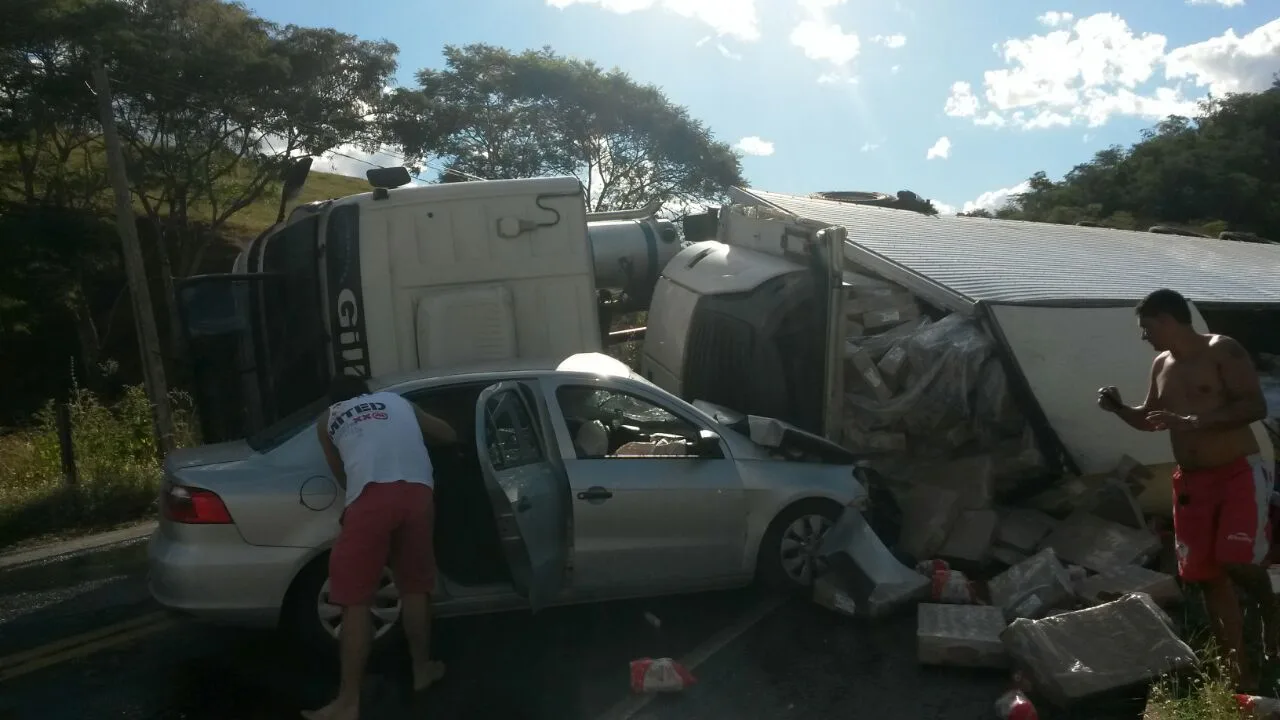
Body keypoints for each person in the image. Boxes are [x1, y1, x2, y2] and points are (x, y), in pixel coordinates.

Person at [1097, 288, 1276, 690]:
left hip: (1236, 472)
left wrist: (1195, 420)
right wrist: (1120, 409)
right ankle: (1238, 670)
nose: (1145, 338)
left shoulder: (1221, 351)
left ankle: (1269, 613)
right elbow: (1151, 419)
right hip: (1192, 481)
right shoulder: (1161, 363)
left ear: (1166, 320)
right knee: (1207, 574)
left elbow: (1255, 407)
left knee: (1236, 560)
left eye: (1146, 329)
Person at [304, 375, 458, 720]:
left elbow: (341, 473)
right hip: (419, 494)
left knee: (355, 600)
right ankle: (422, 669)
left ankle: (348, 702)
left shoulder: (328, 419)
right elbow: (449, 433)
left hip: (373, 496)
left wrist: (360, 503)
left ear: (334, 400)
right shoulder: (400, 403)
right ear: (368, 392)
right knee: (416, 587)